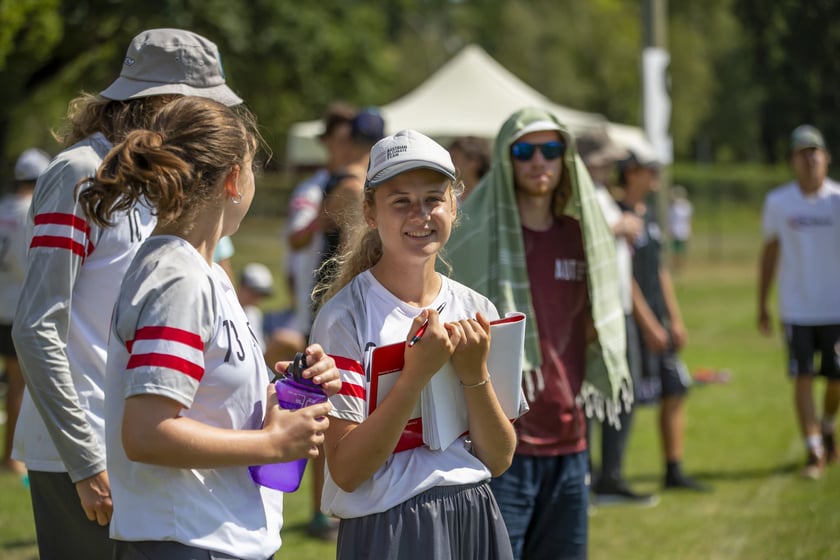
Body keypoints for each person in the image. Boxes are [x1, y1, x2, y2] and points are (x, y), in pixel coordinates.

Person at [11, 28, 244, 559]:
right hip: (84, 456)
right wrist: (87, 461)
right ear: (161, 103)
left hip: (140, 449)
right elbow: (37, 327)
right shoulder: (79, 172)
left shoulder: (159, 180)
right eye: (201, 105)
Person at [78, 95, 340, 559]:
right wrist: (272, 443)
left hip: (211, 537)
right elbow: (146, 432)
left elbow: (210, 403)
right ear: (234, 180)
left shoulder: (206, 274)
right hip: (187, 540)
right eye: (254, 168)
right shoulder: (177, 278)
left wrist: (287, 391)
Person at [310, 129, 519, 559]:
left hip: (474, 512)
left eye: (433, 199)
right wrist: (415, 374)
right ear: (369, 211)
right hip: (389, 525)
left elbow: (498, 457)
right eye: (400, 201)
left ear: (454, 206)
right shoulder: (344, 318)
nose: (420, 215)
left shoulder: (476, 307)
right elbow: (347, 470)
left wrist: (474, 373)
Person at [446, 107, 631, 559]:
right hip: (502, 444)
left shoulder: (581, 235)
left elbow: (594, 323)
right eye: (524, 151)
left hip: (570, 439)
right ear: (507, 159)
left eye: (551, 150)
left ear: (565, 159)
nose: (538, 161)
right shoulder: (472, 239)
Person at [617, 149, 708, 492]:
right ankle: (607, 474)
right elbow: (622, 276)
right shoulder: (618, 214)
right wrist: (647, 323)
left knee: (677, 389)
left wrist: (674, 318)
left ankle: (673, 470)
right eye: (647, 168)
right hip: (636, 324)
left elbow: (659, 269)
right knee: (622, 402)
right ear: (630, 173)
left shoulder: (651, 214)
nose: (655, 174)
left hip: (659, 322)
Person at [577, 130, 657, 507]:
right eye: (606, 159)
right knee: (603, 393)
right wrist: (618, 228)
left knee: (621, 392)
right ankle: (598, 477)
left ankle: (608, 474)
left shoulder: (600, 191)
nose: (613, 166)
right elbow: (578, 237)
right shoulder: (583, 191)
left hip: (617, 305)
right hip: (601, 309)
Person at [758, 124, 840, 480]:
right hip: (797, 309)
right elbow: (770, 253)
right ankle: (814, 450)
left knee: (836, 378)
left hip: (835, 307)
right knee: (802, 377)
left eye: (814, 151)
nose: (809, 159)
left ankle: (827, 424)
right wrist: (762, 302)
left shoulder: (837, 199)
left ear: (826, 157)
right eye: (801, 153)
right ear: (792, 160)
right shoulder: (778, 202)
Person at [0, 148, 50, 476]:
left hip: (2, 302)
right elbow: (32, 264)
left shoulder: (3, 207)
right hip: (20, 307)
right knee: (20, 386)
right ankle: (12, 458)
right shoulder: (31, 212)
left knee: (14, 385)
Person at [238, 262, 275, 353]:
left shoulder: (254, 313)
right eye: (254, 293)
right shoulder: (230, 311)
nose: (257, 299)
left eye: (262, 294)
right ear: (242, 287)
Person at [448, 135, 491, 201]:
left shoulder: (492, 196)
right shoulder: (450, 196)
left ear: (474, 162)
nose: (450, 163)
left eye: (454, 158)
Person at [667, 184, 693, 272]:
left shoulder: (687, 206)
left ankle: (680, 266)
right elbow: (670, 219)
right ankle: (675, 266)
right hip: (674, 230)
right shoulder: (672, 206)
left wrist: (688, 230)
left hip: (683, 230)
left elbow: (688, 219)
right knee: (675, 250)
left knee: (682, 250)